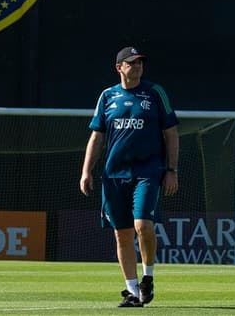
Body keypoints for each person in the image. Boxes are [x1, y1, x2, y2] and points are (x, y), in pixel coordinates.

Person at [79, 46, 179, 307]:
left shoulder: (154, 93)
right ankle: (133, 292)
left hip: (147, 172)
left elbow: (171, 133)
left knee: (142, 225)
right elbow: (97, 136)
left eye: (140, 63)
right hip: (113, 175)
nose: (137, 66)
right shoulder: (107, 96)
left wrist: (172, 169)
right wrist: (86, 171)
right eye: (131, 63)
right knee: (122, 234)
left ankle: (148, 277)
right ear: (119, 67)